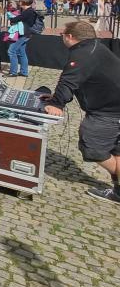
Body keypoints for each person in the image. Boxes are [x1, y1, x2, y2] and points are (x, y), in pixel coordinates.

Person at [42, 21, 120, 204]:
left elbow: (68, 81)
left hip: (108, 111)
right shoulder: (95, 47)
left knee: (92, 146)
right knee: (116, 149)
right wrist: (55, 96)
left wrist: (56, 104)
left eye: (63, 34)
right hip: (113, 107)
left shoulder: (83, 53)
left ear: (70, 36)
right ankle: (118, 193)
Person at [7, 0, 39, 78]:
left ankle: (13, 72)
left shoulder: (27, 12)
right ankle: (24, 72)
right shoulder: (29, 11)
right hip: (27, 34)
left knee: (11, 51)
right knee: (22, 53)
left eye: (20, 2)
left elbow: (16, 19)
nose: (19, 3)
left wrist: (11, 19)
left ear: (24, 3)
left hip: (23, 34)